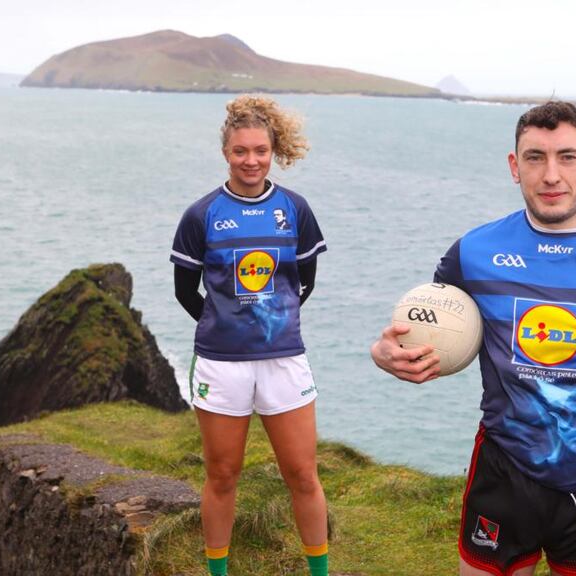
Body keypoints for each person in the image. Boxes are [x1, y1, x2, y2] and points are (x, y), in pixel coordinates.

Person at [370, 101, 576, 576]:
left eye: (567, 157)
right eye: (535, 157)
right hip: (502, 468)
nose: (551, 174)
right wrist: (384, 352)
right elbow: (430, 324)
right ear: (515, 167)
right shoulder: (473, 252)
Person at [171, 95, 329, 576]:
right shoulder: (202, 215)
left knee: (302, 474)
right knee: (221, 475)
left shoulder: (294, 209)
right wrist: (227, 326)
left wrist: (268, 325)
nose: (251, 160)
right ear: (226, 153)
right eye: (241, 151)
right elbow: (185, 293)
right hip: (221, 364)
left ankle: (318, 571)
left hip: (284, 361)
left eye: (260, 150)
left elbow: (306, 282)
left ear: (274, 149)